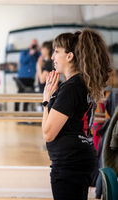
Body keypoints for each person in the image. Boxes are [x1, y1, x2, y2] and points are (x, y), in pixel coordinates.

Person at [42, 29, 112, 200]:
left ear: (70, 56)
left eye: (56, 51)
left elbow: (48, 133)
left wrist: (46, 101)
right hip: (79, 161)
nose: (52, 57)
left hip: (70, 165)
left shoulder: (71, 88)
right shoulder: (81, 83)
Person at [15, 39, 40, 111]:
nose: (34, 45)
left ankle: (25, 112)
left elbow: (43, 58)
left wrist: (39, 49)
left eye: (35, 44)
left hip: (31, 78)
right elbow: (22, 61)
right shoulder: (25, 52)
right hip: (22, 77)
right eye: (33, 44)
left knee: (29, 96)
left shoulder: (37, 53)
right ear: (30, 44)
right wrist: (30, 54)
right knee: (19, 95)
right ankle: (16, 113)